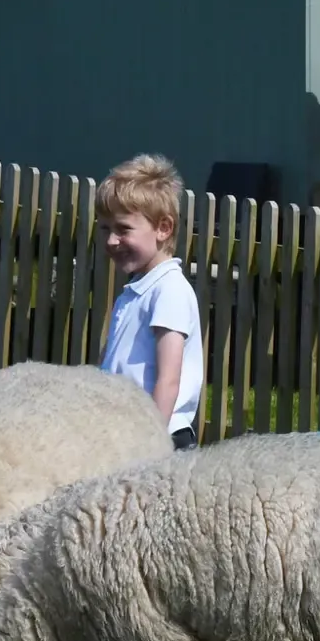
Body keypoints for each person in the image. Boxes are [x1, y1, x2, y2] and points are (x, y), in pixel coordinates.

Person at [96, 153, 205, 451]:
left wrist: (151, 442)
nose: (111, 241)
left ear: (163, 228)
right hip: (125, 433)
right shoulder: (137, 289)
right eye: (105, 228)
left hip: (160, 438)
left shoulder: (169, 290)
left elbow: (169, 379)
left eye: (123, 229)